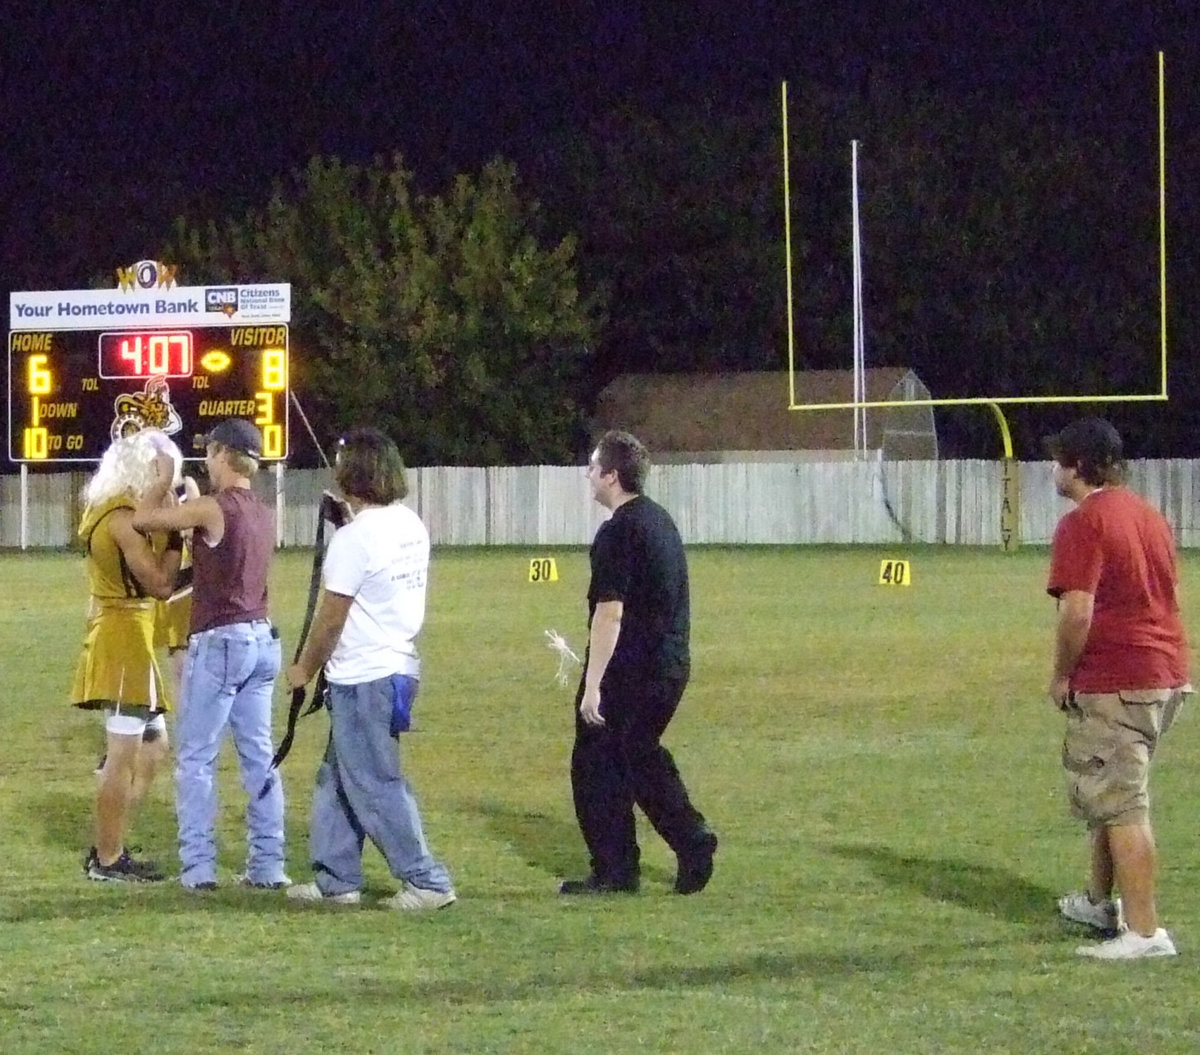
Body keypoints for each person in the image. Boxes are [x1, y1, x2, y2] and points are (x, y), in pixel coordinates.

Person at [284, 428, 455, 909]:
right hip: (396, 665)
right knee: (338, 777)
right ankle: (337, 878)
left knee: (374, 781)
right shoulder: (408, 525)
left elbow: (331, 617)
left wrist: (303, 668)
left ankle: (427, 880)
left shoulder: (356, 540)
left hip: (362, 675)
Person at [1045, 416, 1189, 960]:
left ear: (1078, 465)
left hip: (1119, 677)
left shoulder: (1084, 523)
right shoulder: (1148, 514)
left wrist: (1062, 675)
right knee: (1113, 792)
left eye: (1059, 458)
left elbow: (1077, 612)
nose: (1053, 468)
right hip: (1165, 673)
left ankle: (1144, 933)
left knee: (1125, 804)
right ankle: (1098, 902)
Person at [132, 418, 287, 891]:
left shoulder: (212, 508)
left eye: (210, 453)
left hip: (220, 643)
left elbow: (142, 518)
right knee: (259, 759)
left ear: (222, 454)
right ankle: (267, 866)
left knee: (196, 759)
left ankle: (199, 869)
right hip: (262, 641)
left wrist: (161, 480)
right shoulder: (262, 510)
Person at [561, 429, 716, 896]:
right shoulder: (659, 521)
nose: (587, 475)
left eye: (592, 467)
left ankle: (617, 870)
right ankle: (690, 841)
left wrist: (592, 686)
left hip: (631, 671)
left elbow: (610, 612)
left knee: (596, 763)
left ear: (611, 475)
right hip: (669, 665)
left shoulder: (619, 531)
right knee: (638, 755)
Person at [72, 429, 185, 882]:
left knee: (153, 747)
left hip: (127, 633)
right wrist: (177, 535)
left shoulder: (112, 510)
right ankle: (107, 857)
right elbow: (160, 584)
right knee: (122, 756)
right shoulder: (121, 519)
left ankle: (108, 841)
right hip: (125, 639)